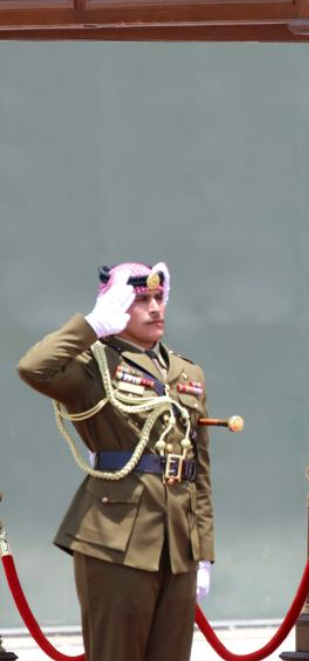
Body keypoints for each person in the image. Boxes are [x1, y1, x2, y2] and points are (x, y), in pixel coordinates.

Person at [17, 263, 215, 661]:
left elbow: (199, 471)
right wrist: (92, 324)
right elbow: (33, 367)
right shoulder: (93, 367)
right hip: (115, 539)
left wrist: (204, 551)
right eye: (141, 300)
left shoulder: (187, 372)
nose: (155, 308)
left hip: (178, 544)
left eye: (159, 298)